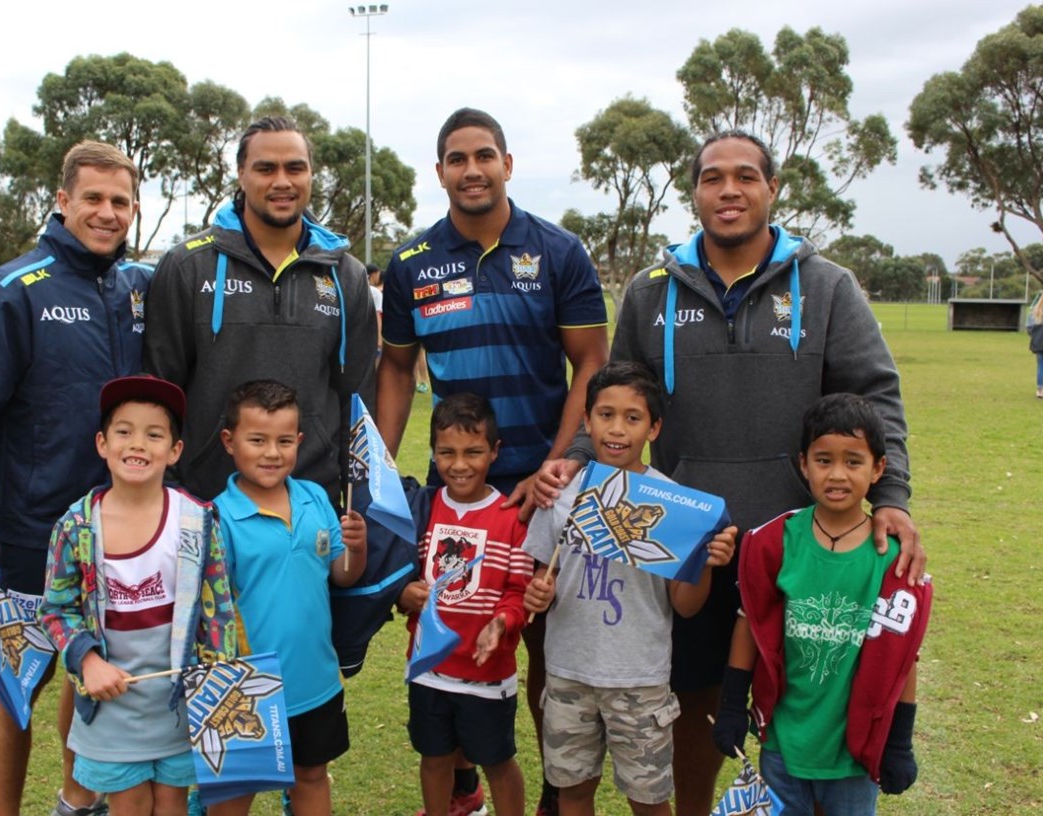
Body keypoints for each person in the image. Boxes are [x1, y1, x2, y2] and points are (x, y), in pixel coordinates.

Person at [535, 130, 925, 816]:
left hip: (796, 542)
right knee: (690, 699)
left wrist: (890, 495)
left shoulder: (828, 287)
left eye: (746, 176)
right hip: (683, 541)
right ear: (695, 193)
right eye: (712, 177)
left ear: (772, 188)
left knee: (796, 694)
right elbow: (617, 396)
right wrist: (578, 458)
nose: (729, 190)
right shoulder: (651, 292)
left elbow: (874, 396)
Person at [377, 107, 609, 816]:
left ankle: (554, 792)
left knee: (544, 648)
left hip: (545, 489)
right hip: (458, 489)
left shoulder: (558, 251)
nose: (471, 170)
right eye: (457, 158)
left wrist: (558, 464)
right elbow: (397, 368)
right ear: (440, 171)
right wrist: (379, 470)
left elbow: (591, 362)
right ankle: (461, 787)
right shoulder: (411, 264)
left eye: (484, 156)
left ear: (507, 164)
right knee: (450, 628)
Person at [0, 140, 152, 816]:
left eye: (120, 201)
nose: (107, 212)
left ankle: (76, 801)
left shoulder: (138, 286)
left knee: (90, 672)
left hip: (118, 530)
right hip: (33, 532)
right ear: (62, 201)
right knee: (17, 683)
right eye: (93, 198)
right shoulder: (13, 289)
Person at [522, 362, 738, 816]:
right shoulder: (561, 493)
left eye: (633, 417)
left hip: (640, 679)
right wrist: (538, 593)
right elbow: (544, 576)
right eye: (606, 415)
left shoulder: (674, 507)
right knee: (572, 791)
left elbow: (685, 605)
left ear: (654, 428)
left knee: (649, 799)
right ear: (586, 421)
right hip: (568, 671)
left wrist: (704, 564)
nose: (617, 429)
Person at [712, 394, 931, 815]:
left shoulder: (892, 560)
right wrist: (731, 707)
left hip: (853, 758)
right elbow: (750, 625)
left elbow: (902, 657)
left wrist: (899, 743)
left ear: (878, 469)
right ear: (803, 464)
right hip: (782, 747)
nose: (837, 474)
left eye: (853, 461)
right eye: (824, 460)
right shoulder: (774, 543)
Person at [143, 116, 377, 506]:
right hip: (205, 502)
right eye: (266, 169)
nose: (282, 181)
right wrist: (166, 494)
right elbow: (159, 392)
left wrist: (356, 501)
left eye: (295, 168)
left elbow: (357, 401)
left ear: (311, 175)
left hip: (312, 508)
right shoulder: (187, 266)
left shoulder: (347, 276)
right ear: (241, 174)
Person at [38, 376, 241, 816]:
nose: (137, 444)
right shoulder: (75, 527)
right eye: (124, 431)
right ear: (102, 443)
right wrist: (87, 662)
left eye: (154, 434)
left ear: (175, 450)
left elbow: (219, 614)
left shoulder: (198, 521)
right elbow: (55, 610)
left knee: (171, 805)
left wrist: (218, 687)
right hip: (111, 709)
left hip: (178, 709)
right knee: (129, 805)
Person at [208, 380, 367, 816]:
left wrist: (357, 548)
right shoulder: (218, 518)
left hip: (315, 680)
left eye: (283, 441)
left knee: (311, 776)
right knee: (235, 792)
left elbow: (343, 574)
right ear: (229, 441)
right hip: (244, 688)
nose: (272, 453)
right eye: (257, 440)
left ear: (299, 440)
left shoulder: (315, 498)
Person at [396, 394, 532, 816]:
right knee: (434, 759)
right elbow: (400, 574)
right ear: (432, 452)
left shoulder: (511, 517)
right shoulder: (423, 509)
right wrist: (404, 594)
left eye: (473, 452)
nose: (459, 465)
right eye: (446, 453)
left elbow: (518, 592)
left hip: (486, 676)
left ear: (494, 451)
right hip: (428, 669)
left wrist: (502, 623)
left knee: (497, 762)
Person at [1027, 289, 1043, 399]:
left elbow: (1029, 328)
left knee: (1041, 366)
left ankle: (1039, 390)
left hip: (1039, 342)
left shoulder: (1034, 311)